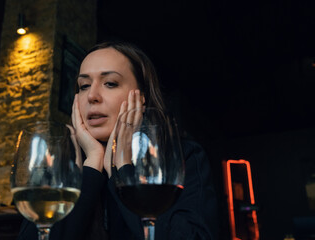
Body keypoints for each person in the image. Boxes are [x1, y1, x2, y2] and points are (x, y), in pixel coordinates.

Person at [17, 41, 218, 240]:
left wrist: (122, 166)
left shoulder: (184, 157)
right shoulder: (60, 166)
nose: (92, 96)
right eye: (84, 86)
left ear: (141, 97)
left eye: (110, 83)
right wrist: (92, 166)